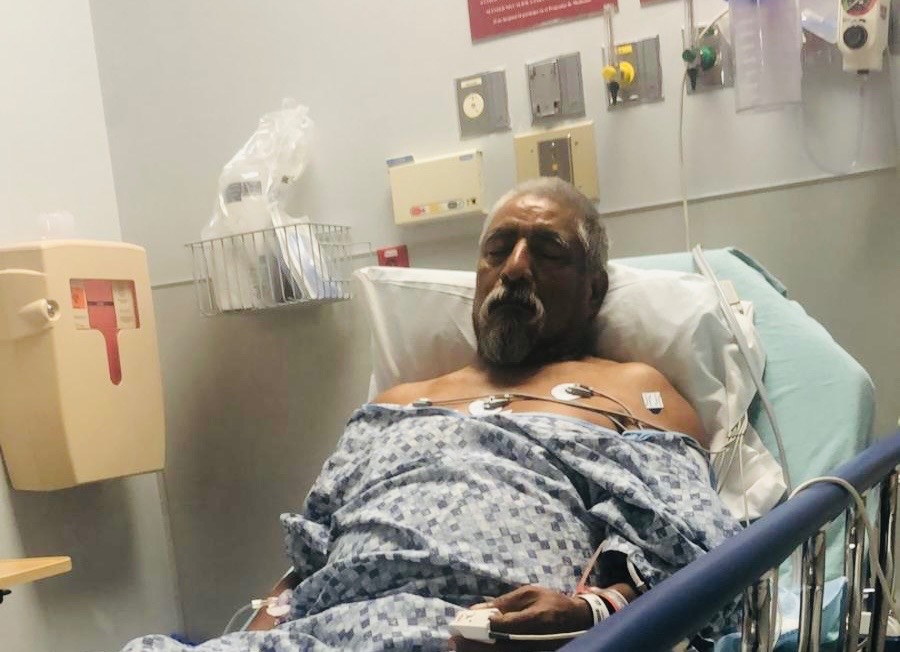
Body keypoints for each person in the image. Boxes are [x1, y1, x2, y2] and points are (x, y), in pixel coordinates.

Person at [122, 180, 739, 652]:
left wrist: (590, 613)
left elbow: (690, 543)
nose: (515, 267)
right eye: (498, 248)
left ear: (594, 291)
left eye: (547, 251)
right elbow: (308, 554)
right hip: (322, 633)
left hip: (472, 635)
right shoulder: (397, 403)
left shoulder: (630, 392)